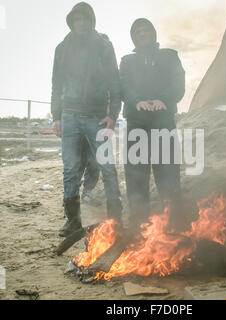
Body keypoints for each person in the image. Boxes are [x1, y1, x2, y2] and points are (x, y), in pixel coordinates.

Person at [51, 2, 122, 237]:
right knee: (70, 168)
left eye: (84, 19)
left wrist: (113, 115)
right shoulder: (62, 48)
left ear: (91, 21)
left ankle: (116, 217)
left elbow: (115, 81)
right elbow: (56, 84)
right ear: (71, 22)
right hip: (69, 115)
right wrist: (57, 117)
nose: (80, 23)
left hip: (96, 117)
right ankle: (72, 220)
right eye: (76, 19)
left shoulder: (103, 45)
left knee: (107, 167)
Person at [120, 18, 185, 233]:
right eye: (137, 31)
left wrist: (163, 99)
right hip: (136, 123)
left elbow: (178, 83)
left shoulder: (169, 56)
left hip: (163, 121)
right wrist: (137, 100)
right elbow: (124, 86)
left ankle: (174, 221)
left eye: (145, 29)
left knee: (168, 172)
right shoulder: (127, 61)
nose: (142, 33)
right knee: (136, 175)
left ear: (153, 33)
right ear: (133, 37)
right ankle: (139, 224)